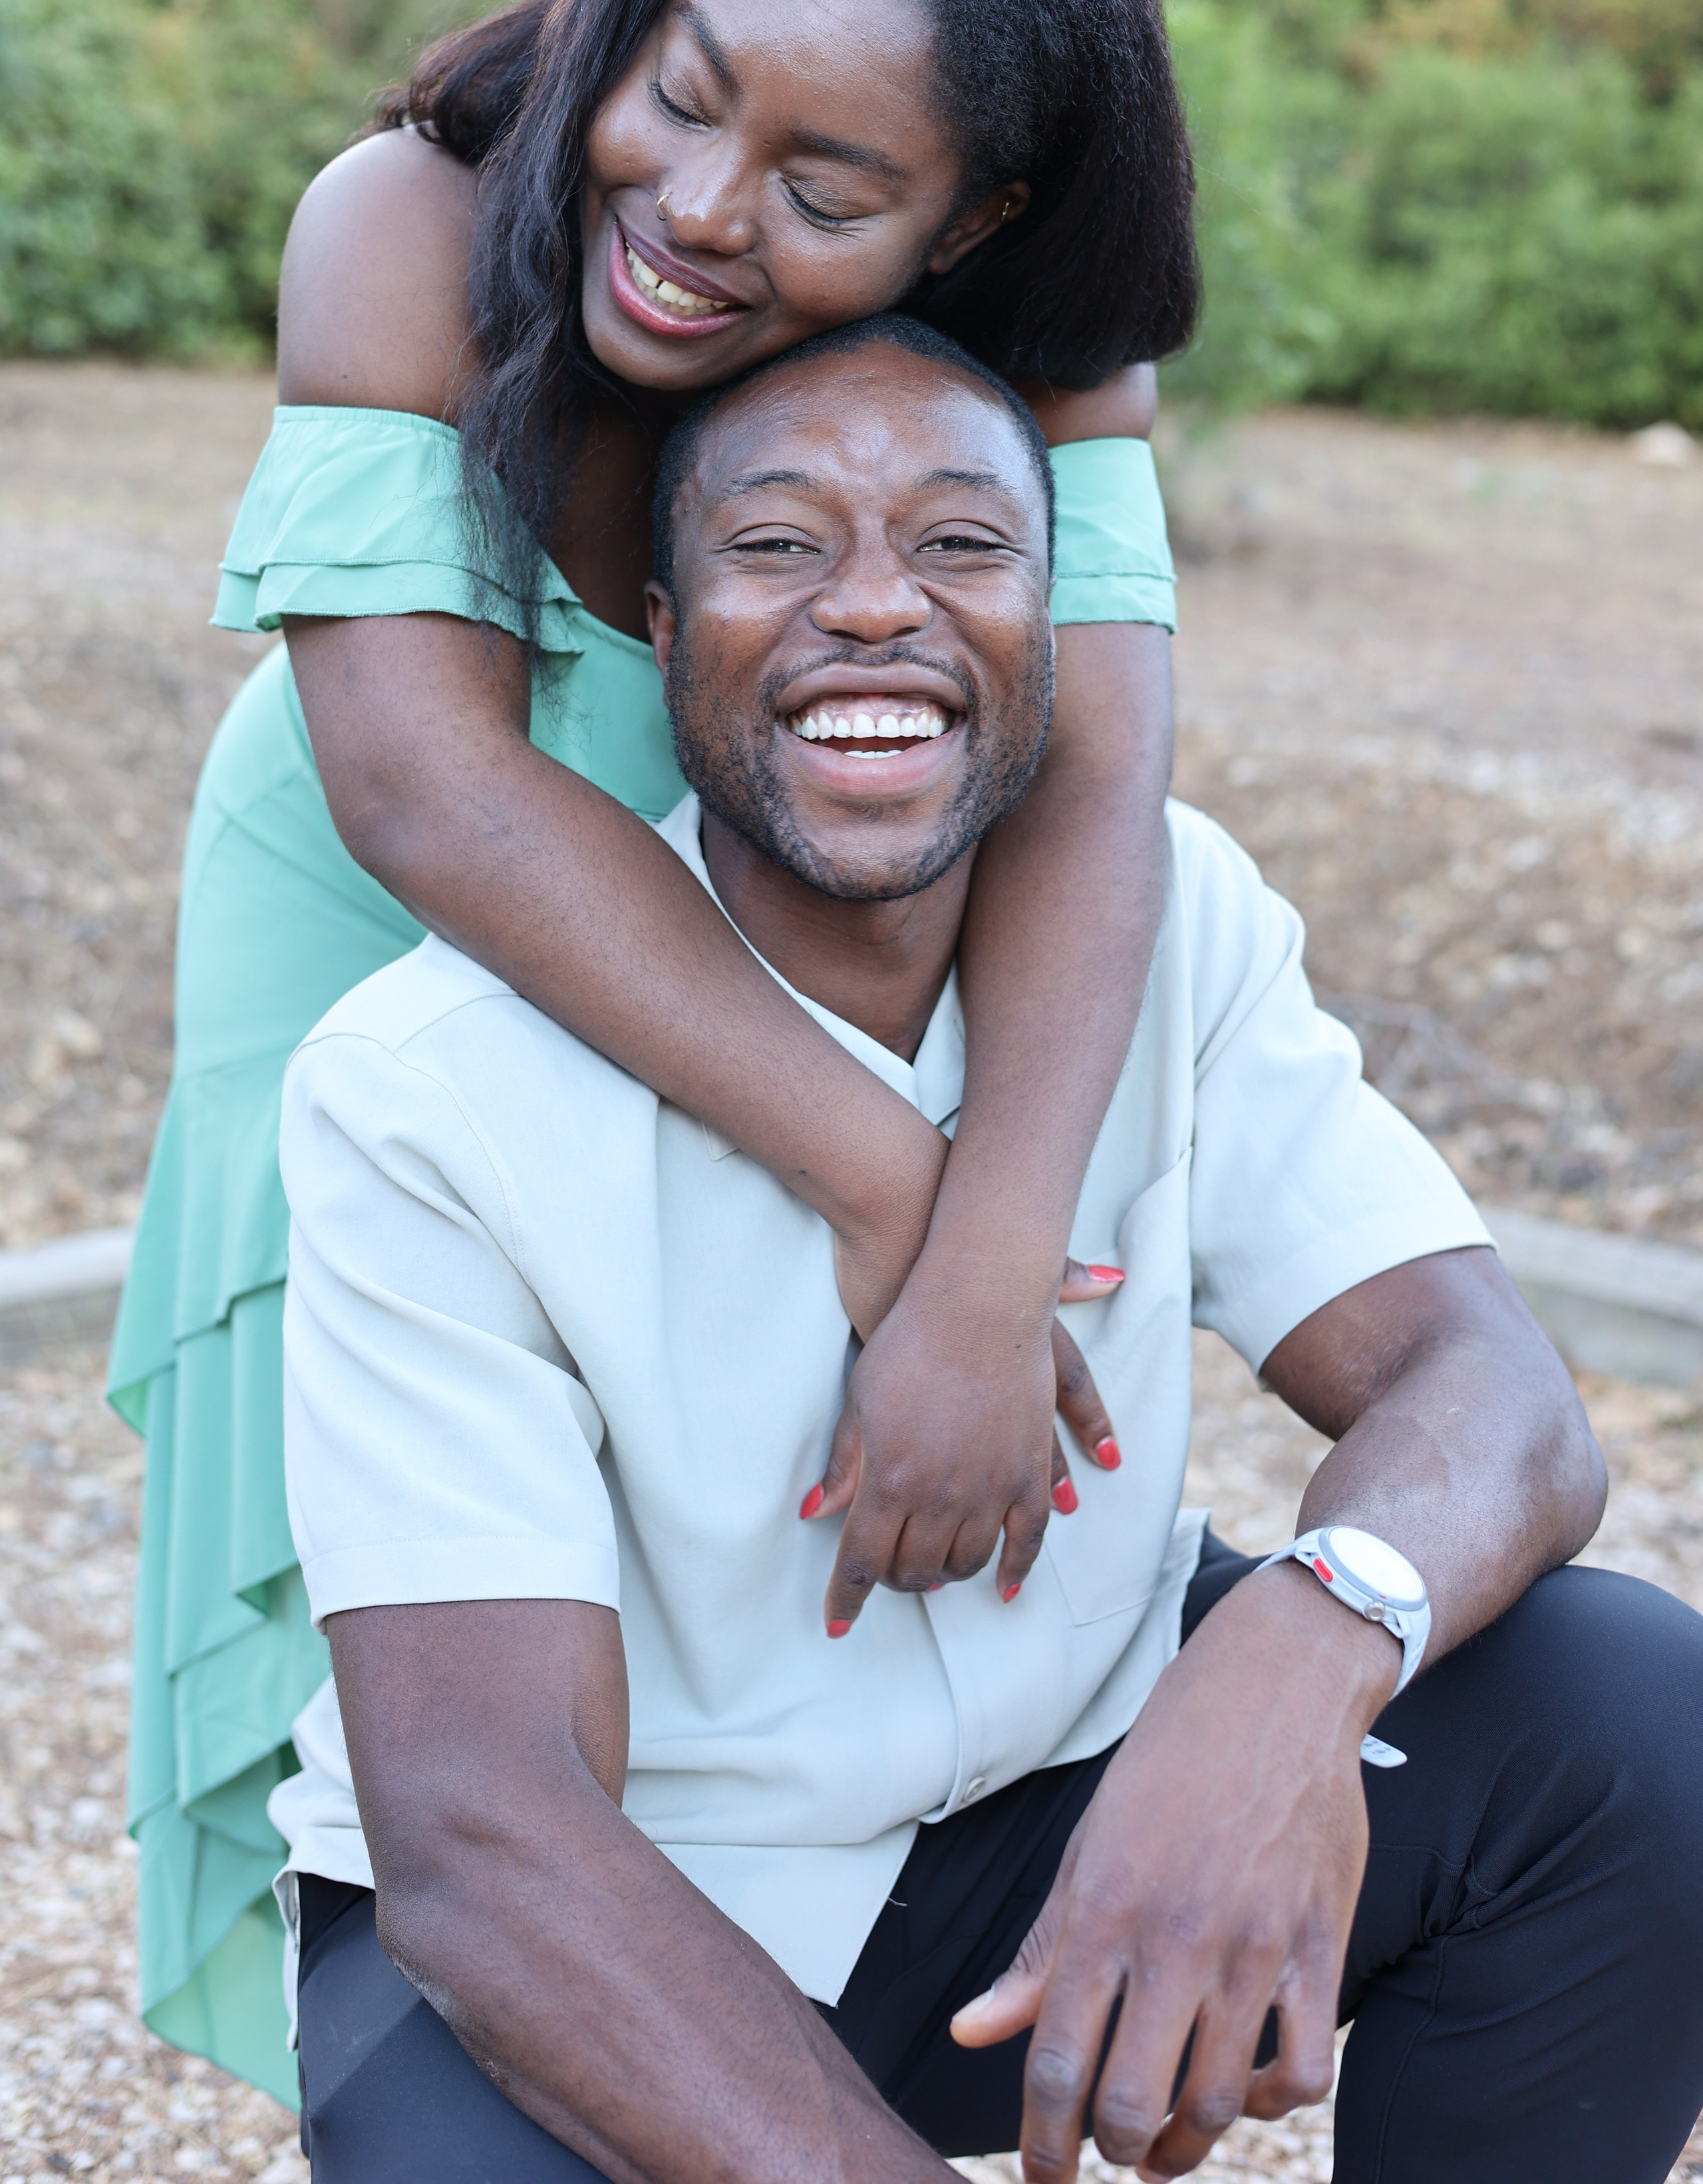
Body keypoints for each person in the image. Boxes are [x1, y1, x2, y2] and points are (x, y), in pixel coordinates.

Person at [275, 318, 1703, 2184]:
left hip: (1048, 1837)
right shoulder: (423, 1090)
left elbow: (1498, 1397)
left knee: (1630, 1724)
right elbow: (487, 1836)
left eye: (964, 545)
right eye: (777, 546)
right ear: (654, 616)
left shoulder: (1173, 918)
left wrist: (1302, 1650)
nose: (877, 607)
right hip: (599, 1927)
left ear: (1056, 615)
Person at [108, 0, 1199, 2092]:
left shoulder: (1051, 333)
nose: (698, 208)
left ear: (974, 216)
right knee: (448, 1620)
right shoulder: (406, 221)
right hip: (390, 887)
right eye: (679, 94)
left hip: (796, 867)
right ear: (624, 2)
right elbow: (429, 781)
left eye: (822, 188)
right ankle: (484, 2076)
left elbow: (1101, 773)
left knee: (753, 1500)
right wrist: (930, 1199)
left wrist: (1002, 1264)